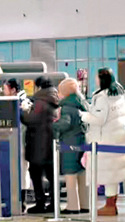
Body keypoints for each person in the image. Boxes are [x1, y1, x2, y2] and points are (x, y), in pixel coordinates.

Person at [81, 68, 125, 216]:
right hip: (118, 139)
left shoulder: (102, 97)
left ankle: (109, 206)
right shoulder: (118, 95)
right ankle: (111, 204)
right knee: (113, 175)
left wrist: (83, 115)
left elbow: (99, 120)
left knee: (106, 174)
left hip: (103, 141)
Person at [21, 79, 59, 213]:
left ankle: (40, 203)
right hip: (51, 144)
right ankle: (54, 203)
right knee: (51, 176)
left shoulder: (40, 102)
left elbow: (31, 119)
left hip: (38, 145)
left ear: (38, 87)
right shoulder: (55, 100)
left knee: (36, 175)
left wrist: (22, 112)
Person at [53, 78, 88, 214]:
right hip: (83, 142)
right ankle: (85, 204)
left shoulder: (67, 108)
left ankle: (73, 206)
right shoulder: (83, 104)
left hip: (70, 143)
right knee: (82, 175)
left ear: (65, 93)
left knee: (70, 175)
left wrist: (53, 124)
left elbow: (65, 124)